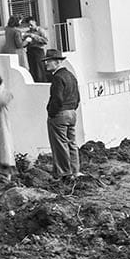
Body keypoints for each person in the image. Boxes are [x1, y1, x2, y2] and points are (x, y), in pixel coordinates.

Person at [43, 50, 81, 181]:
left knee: (60, 145)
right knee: (71, 143)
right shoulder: (70, 75)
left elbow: (57, 99)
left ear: (58, 62)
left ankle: (64, 174)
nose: (46, 64)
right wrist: (72, 109)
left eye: (49, 61)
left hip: (60, 114)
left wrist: (51, 113)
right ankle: (75, 171)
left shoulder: (58, 77)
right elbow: (78, 97)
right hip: (72, 113)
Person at [23, 17, 50, 83]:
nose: (30, 27)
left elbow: (45, 41)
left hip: (38, 51)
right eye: (28, 25)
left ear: (35, 22)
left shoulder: (41, 30)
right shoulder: (28, 32)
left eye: (31, 25)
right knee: (32, 70)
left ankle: (42, 83)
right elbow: (24, 44)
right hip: (30, 51)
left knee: (40, 70)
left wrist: (34, 36)